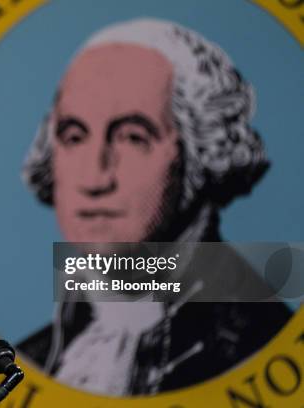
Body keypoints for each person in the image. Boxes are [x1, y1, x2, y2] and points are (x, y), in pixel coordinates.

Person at [18, 19, 291, 396]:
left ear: (203, 153)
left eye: (133, 137)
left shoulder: (259, 346)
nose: (95, 177)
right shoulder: (27, 362)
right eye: (74, 136)